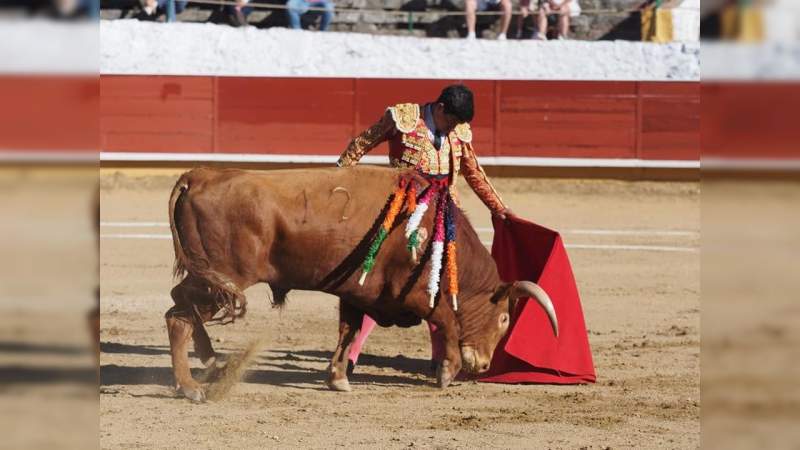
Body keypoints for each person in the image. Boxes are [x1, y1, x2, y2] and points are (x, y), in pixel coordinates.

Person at [336, 84, 513, 375]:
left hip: (445, 213)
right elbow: (361, 143)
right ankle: (351, 354)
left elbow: (472, 171)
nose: (455, 127)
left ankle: (439, 357)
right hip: (402, 210)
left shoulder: (458, 131)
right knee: (376, 281)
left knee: (440, 283)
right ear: (440, 109)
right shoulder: (402, 118)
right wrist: (338, 178)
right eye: (452, 121)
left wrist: (499, 208)